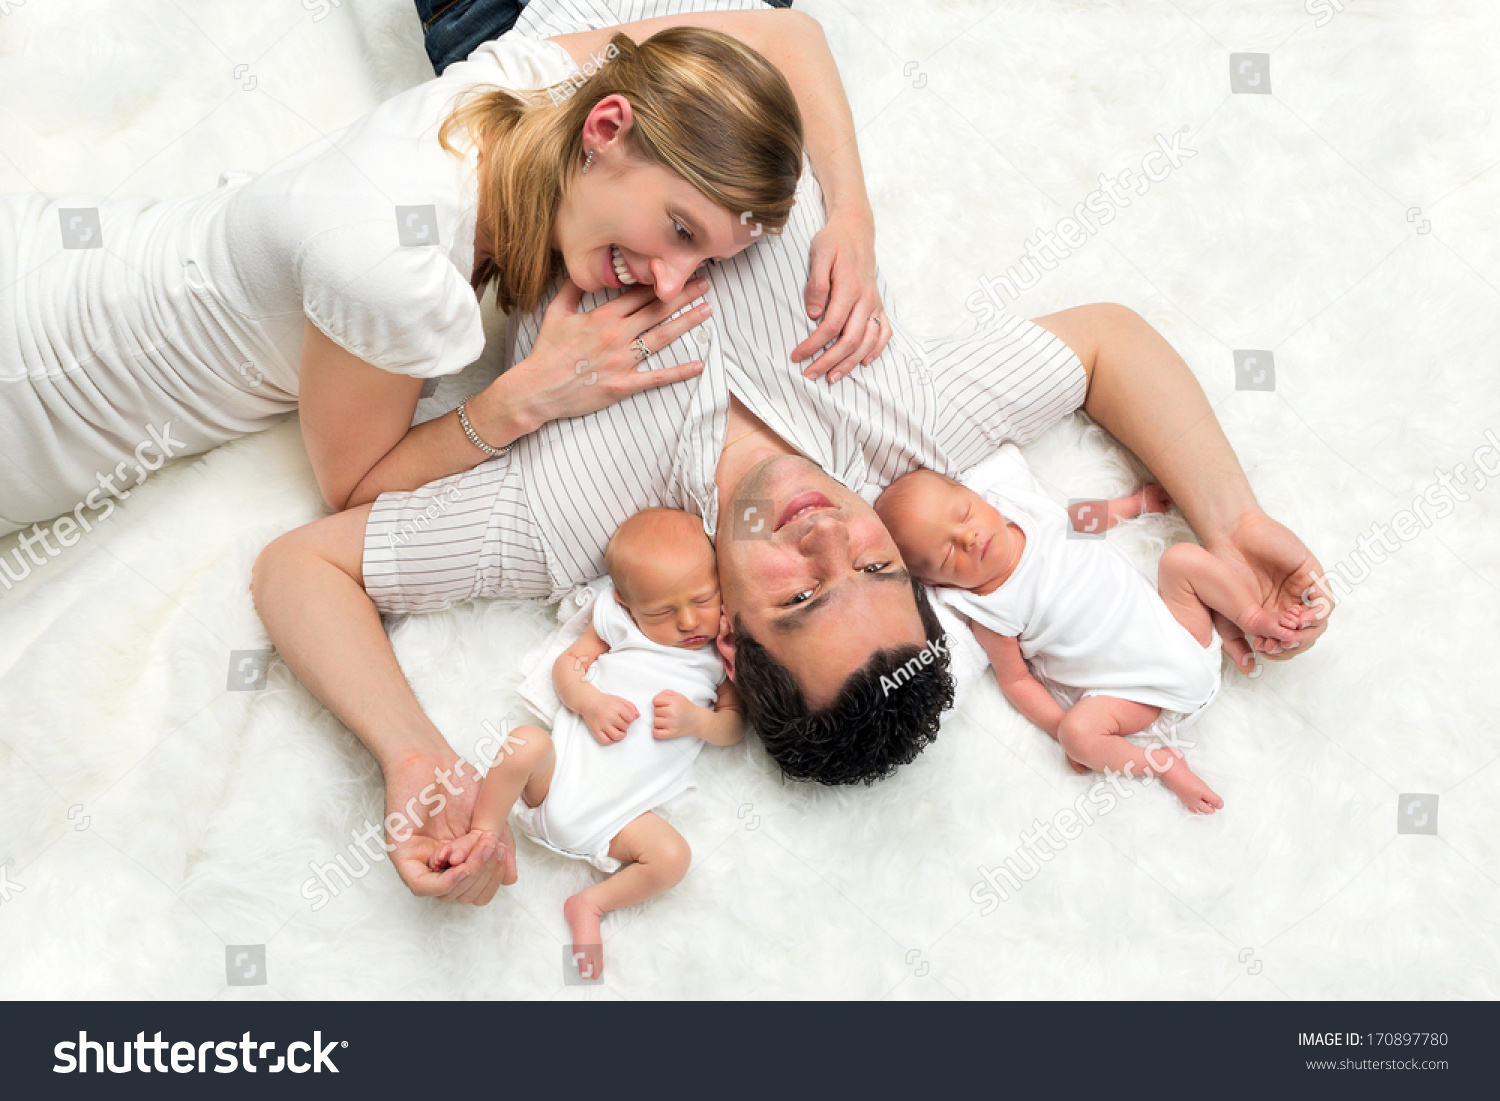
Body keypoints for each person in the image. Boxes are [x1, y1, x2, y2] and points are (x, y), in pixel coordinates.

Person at [251, 0, 1333, 906]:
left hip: (522, 44)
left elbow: (303, 565)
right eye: (874, 568)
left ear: (728, 639)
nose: (828, 538)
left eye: (801, 600)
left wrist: (412, 752)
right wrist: (1229, 526)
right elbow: (1108, 340)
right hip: (718, 34)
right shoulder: (910, 434)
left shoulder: (575, 527)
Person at [1, 8, 875, 533]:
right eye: (680, 228)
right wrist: (527, 396)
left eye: (707, 258)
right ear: (606, 128)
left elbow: (785, 32)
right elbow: (352, 486)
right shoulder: (396, 266)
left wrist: (851, 219)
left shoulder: (524, 86)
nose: (673, 281)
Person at [874, 448, 1315, 813]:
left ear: (979, 497)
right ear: (935, 582)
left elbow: (1083, 519)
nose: (968, 537)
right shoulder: (988, 608)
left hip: (1185, 634)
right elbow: (1017, 681)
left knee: (1182, 560)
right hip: (1137, 696)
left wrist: (1133, 507)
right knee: (1080, 734)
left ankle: (1250, 620)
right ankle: (1159, 763)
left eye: (964, 513)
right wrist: (1062, 729)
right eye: (948, 552)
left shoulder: (1029, 514)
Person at [432, 507, 742, 979]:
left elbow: (733, 727)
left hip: (620, 820)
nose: (687, 621)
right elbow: (566, 667)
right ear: (625, 603)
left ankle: (591, 905)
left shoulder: (719, 657)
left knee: (673, 858)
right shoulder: (619, 626)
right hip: (556, 782)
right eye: (661, 611)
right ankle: (485, 829)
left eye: (703, 598)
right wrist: (589, 702)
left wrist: (698, 721)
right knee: (526, 744)